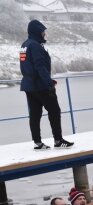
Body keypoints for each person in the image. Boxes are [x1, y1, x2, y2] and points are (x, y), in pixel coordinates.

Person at [19, 20, 73, 150]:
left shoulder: (24, 45)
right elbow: (40, 66)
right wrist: (49, 83)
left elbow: (24, 65)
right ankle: (58, 140)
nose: (44, 34)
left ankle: (37, 142)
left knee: (35, 113)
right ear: (38, 32)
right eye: (43, 31)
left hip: (28, 85)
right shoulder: (36, 46)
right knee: (54, 110)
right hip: (40, 85)